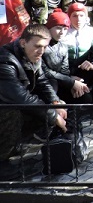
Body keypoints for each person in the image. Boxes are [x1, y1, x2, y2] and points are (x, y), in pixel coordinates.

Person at [0, 24, 67, 178]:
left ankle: (15, 145)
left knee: (47, 112)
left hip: (14, 104)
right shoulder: (5, 61)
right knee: (12, 112)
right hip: (7, 108)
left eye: (44, 47)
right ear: (23, 42)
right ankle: (2, 163)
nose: (41, 51)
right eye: (37, 46)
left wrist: (55, 102)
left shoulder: (32, 55)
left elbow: (42, 81)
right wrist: (52, 115)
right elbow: (19, 96)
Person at [61, 3, 93, 103]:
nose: (78, 19)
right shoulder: (62, 31)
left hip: (82, 70)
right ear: (69, 17)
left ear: (86, 17)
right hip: (63, 72)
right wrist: (69, 78)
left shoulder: (91, 31)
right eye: (74, 16)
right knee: (81, 99)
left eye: (81, 16)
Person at [42, 8, 91, 103]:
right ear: (49, 27)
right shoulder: (42, 45)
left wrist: (71, 83)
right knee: (53, 84)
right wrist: (70, 82)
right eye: (58, 28)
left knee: (85, 96)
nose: (62, 32)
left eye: (65, 29)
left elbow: (64, 70)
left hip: (60, 80)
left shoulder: (63, 46)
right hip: (45, 82)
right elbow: (44, 71)